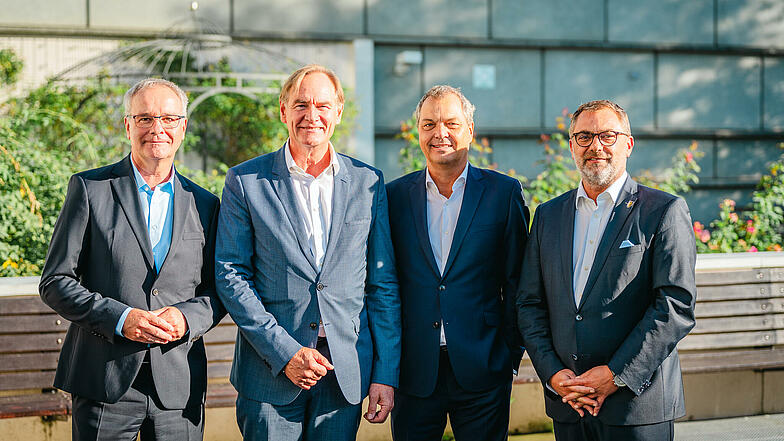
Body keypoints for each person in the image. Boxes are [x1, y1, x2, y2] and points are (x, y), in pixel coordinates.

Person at [214, 64, 400, 441]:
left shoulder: (368, 182)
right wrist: (285, 353)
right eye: (300, 104)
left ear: (338, 112)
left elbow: (382, 285)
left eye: (322, 105)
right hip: (269, 372)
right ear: (284, 110)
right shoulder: (245, 182)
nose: (311, 116)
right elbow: (231, 273)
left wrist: (385, 374)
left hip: (344, 371)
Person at [38, 78, 225, 440]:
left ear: (183, 127)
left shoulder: (206, 204)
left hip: (179, 386)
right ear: (128, 125)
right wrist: (120, 318)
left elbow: (218, 290)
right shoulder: (90, 189)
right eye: (145, 118)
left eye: (169, 119)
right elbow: (55, 281)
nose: (158, 129)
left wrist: (186, 317)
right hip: (104, 381)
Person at [516, 99, 697, 440]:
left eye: (608, 135)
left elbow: (675, 307)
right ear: (571, 146)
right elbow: (529, 304)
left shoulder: (664, 211)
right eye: (584, 136)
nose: (595, 146)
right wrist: (554, 374)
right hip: (568, 403)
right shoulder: (548, 216)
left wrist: (615, 375)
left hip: (636, 405)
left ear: (628, 144)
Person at [386, 85, 529, 441]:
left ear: (470, 130)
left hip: (483, 367)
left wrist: (508, 356)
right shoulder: (392, 197)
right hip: (413, 370)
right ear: (418, 131)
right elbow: (383, 285)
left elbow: (518, 282)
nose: (440, 133)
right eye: (429, 124)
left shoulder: (503, 193)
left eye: (451, 122)